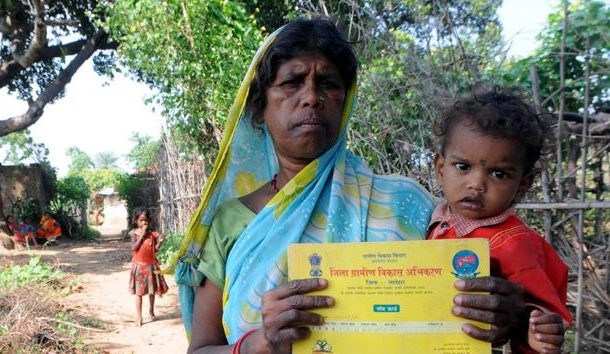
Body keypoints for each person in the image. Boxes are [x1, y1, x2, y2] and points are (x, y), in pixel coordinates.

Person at [174, 18, 526, 354]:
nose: (312, 97)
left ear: (345, 102)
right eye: (292, 83)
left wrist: (503, 314)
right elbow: (202, 347)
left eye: (328, 83)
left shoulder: (406, 203)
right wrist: (259, 344)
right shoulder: (229, 223)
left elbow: (464, 299)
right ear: (258, 106)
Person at [428, 88, 571, 353]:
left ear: (523, 184)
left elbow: (539, 318)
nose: (476, 184)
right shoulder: (431, 219)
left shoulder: (515, 244)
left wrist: (536, 329)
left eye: (499, 173)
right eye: (463, 167)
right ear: (440, 169)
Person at [129, 208, 168, 326]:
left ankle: (151, 311)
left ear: (149, 221)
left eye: (146, 220)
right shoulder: (134, 233)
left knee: (152, 291)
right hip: (139, 267)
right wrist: (141, 236)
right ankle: (139, 317)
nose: (144, 223)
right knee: (139, 293)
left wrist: (160, 242)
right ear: (136, 221)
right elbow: (133, 248)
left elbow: (154, 250)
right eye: (141, 220)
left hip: (151, 266)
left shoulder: (153, 234)